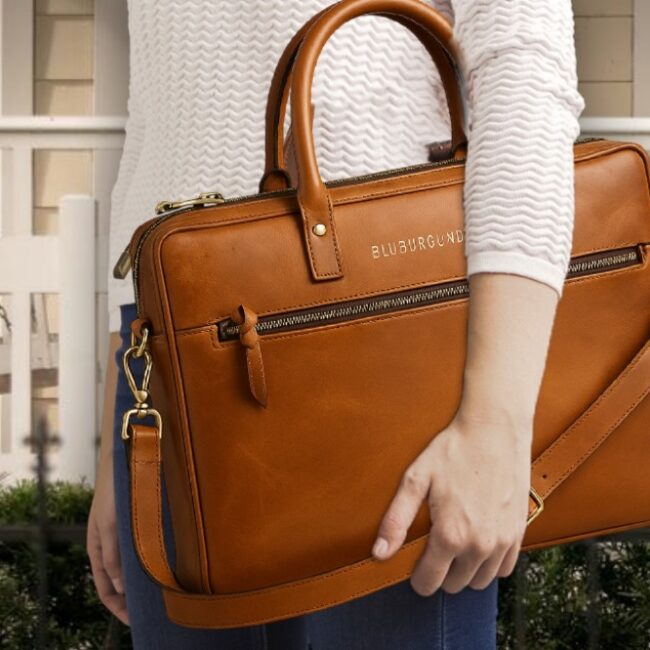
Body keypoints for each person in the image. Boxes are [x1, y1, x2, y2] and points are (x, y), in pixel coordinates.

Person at [87, 0, 585, 648]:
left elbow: (525, 73)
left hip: (379, 322)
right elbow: (154, 116)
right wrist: (119, 437)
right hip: (169, 349)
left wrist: (498, 423)